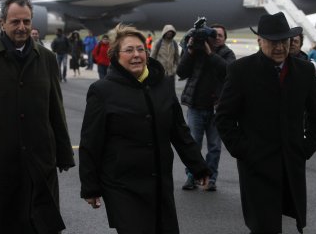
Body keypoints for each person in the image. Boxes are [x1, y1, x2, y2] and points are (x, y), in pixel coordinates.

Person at [79, 23, 210, 234]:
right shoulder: (102, 91)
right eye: (129, 50)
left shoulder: (163, 86)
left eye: (141, 49)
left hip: (159, 182)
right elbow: (90, 142)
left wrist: (198, 166)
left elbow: (179, 131)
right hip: (123, 185)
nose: (136, 55)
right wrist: (90, 186)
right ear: (116, 55)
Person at [0, 0, 75, 234]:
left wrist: (63, 153)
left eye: (26, 21)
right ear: (2, 22)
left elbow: (56, 109)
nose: (22, 27)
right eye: (15, 22)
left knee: (39, 223)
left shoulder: (46, 59)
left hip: (39, 159)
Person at [215, 12, 316, 234]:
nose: (279, 47)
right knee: (263, 225)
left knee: (288, 214)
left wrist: (306, 148)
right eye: (273, 42)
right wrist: (243, 150)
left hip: (291, 162)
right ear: (260, 41)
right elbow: (224, 117)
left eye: (284, 41)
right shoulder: (241, 70)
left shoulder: (304, 71)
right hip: (256, 164)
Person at [177, 23, 236, 191]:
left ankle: (211, 178)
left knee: (214, 147)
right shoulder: (196, 51)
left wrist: (210, 54)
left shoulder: (227, 54)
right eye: (214, 35)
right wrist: (189, 50)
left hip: (217, 108)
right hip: (196, 105)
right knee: (193, 145)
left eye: (220, 36)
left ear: (224, 39)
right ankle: (192, 176)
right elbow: (181, 72)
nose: (216, 38)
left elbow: (229, 72)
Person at [150, 24, 179, 89]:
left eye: (171, 32)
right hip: (160, 74)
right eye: (168, 32)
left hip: (171, 74)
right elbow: (152, 57)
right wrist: (154, 70)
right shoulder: (158, 43)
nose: (169, 33)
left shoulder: (174, 43)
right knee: (160, 90)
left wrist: (175, 69)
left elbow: (177, 59)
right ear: (165, 32)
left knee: (170, 91)